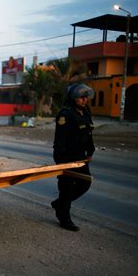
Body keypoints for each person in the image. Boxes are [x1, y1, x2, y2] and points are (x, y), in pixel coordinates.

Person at [51, 83, 95, 231]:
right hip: (66, 156)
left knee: (85, 184)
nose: (84, 100)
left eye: (86, 97)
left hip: (81, 156)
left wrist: (90, 152)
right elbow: (60, 139)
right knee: (67, 188)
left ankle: (59, 204)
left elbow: (89, 134)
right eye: (81, 97)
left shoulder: (85, 112)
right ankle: (65, 218)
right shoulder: (65, 114)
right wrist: (60, 161)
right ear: (73, 97)